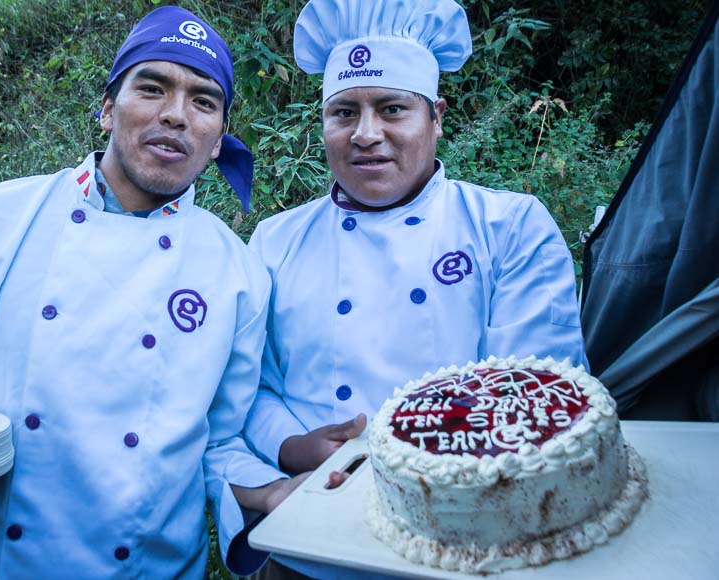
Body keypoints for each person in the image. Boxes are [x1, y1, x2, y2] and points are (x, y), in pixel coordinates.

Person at [0, 5, 291, 578]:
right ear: (108, 109)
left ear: (217, 141)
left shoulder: (240, 274)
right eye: (152, 88)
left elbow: (220, 440)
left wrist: (274, 492)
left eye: (203, 101)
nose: (177, 115)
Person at [216, 0, 590, 576]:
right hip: (310, 537)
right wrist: (294, 447)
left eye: (392, 109)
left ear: (437, 116)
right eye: (344, 113)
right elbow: (248, 389)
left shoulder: (509, 226)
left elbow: (537, 397)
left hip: (468, 540)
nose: (367, 135)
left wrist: (413, 469)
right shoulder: (274, 240)